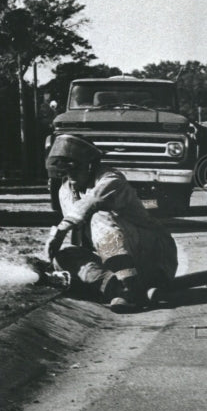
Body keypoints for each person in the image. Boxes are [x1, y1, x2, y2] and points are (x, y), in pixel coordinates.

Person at [44, 134, 178, 313]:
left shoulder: (110, 178)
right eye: (66, 169)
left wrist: (59, 231)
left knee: (100, 218)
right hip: (115, 258)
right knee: (63, 256)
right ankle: (115, 287)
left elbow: (91, 202)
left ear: (90, 164)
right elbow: (80, 237)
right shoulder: (65, 191)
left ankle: (129, 287)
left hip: (153, 254)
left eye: (76, 167)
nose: (71, 173)